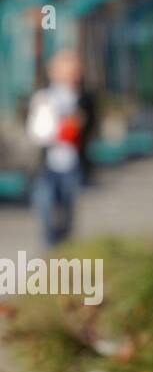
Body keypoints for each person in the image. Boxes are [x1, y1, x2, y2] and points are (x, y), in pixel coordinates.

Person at [27, 49, 88, 248]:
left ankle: (64, 254)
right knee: (46, 210)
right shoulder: (43, 97)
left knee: (68, 214)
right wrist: (57, 127)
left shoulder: (83, 99)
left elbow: (89, 129)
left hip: (72, 165)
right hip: (46, 167)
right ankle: (51, 254)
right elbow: (35, 132)